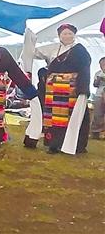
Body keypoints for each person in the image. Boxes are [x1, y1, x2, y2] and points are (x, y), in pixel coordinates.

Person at [22, 24, 92, 154]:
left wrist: (83, 89)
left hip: (71, 91)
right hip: (53, 90)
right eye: (64, 34)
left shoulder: (80, 51)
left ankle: (70, 144)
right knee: (53, 118)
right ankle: (53, 144)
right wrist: (29, 39)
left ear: (74, 35)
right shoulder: (52, 48)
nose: (67, 36)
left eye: (70, 33)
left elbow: (85, 70)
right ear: (59, 36)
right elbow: (33, 52)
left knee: (68, 117)